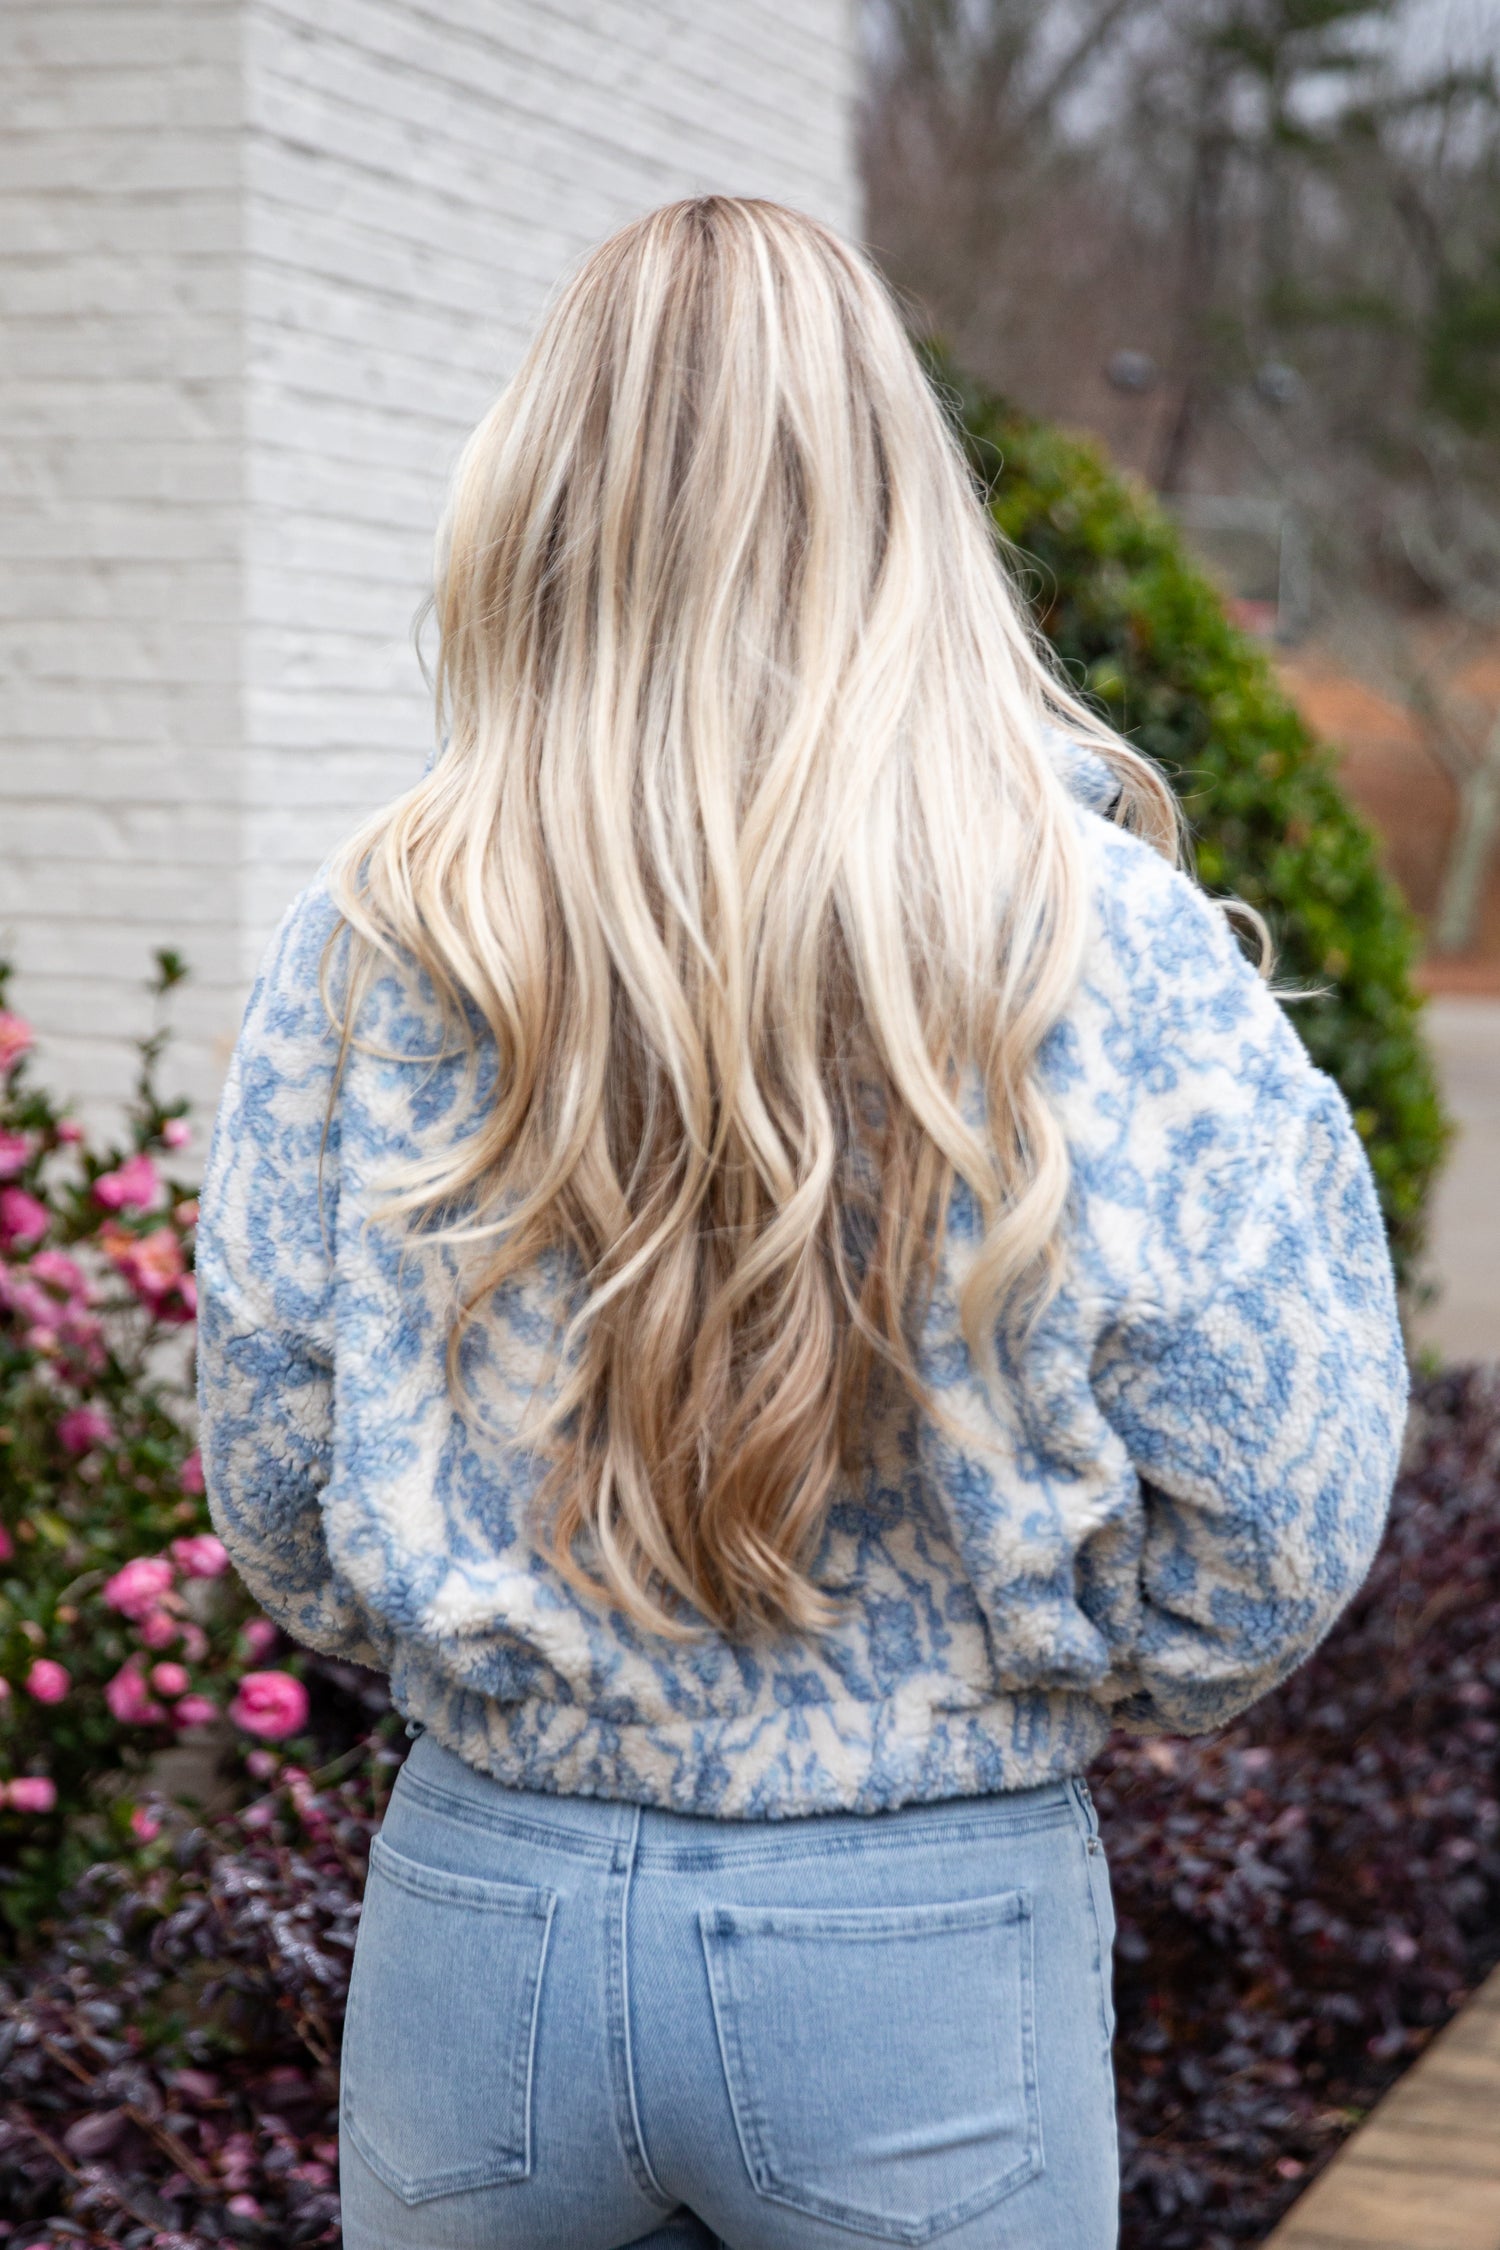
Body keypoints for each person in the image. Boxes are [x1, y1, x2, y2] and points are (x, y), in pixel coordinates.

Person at [195, 196, 1406, 2250]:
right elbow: (1276, 1506)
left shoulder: (382, 927)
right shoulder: (1086, 926)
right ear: (900, 504)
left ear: (538, 498)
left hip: (491, 1918)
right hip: (920, 1933)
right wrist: (1071, 1672)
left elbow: (275, 1470)